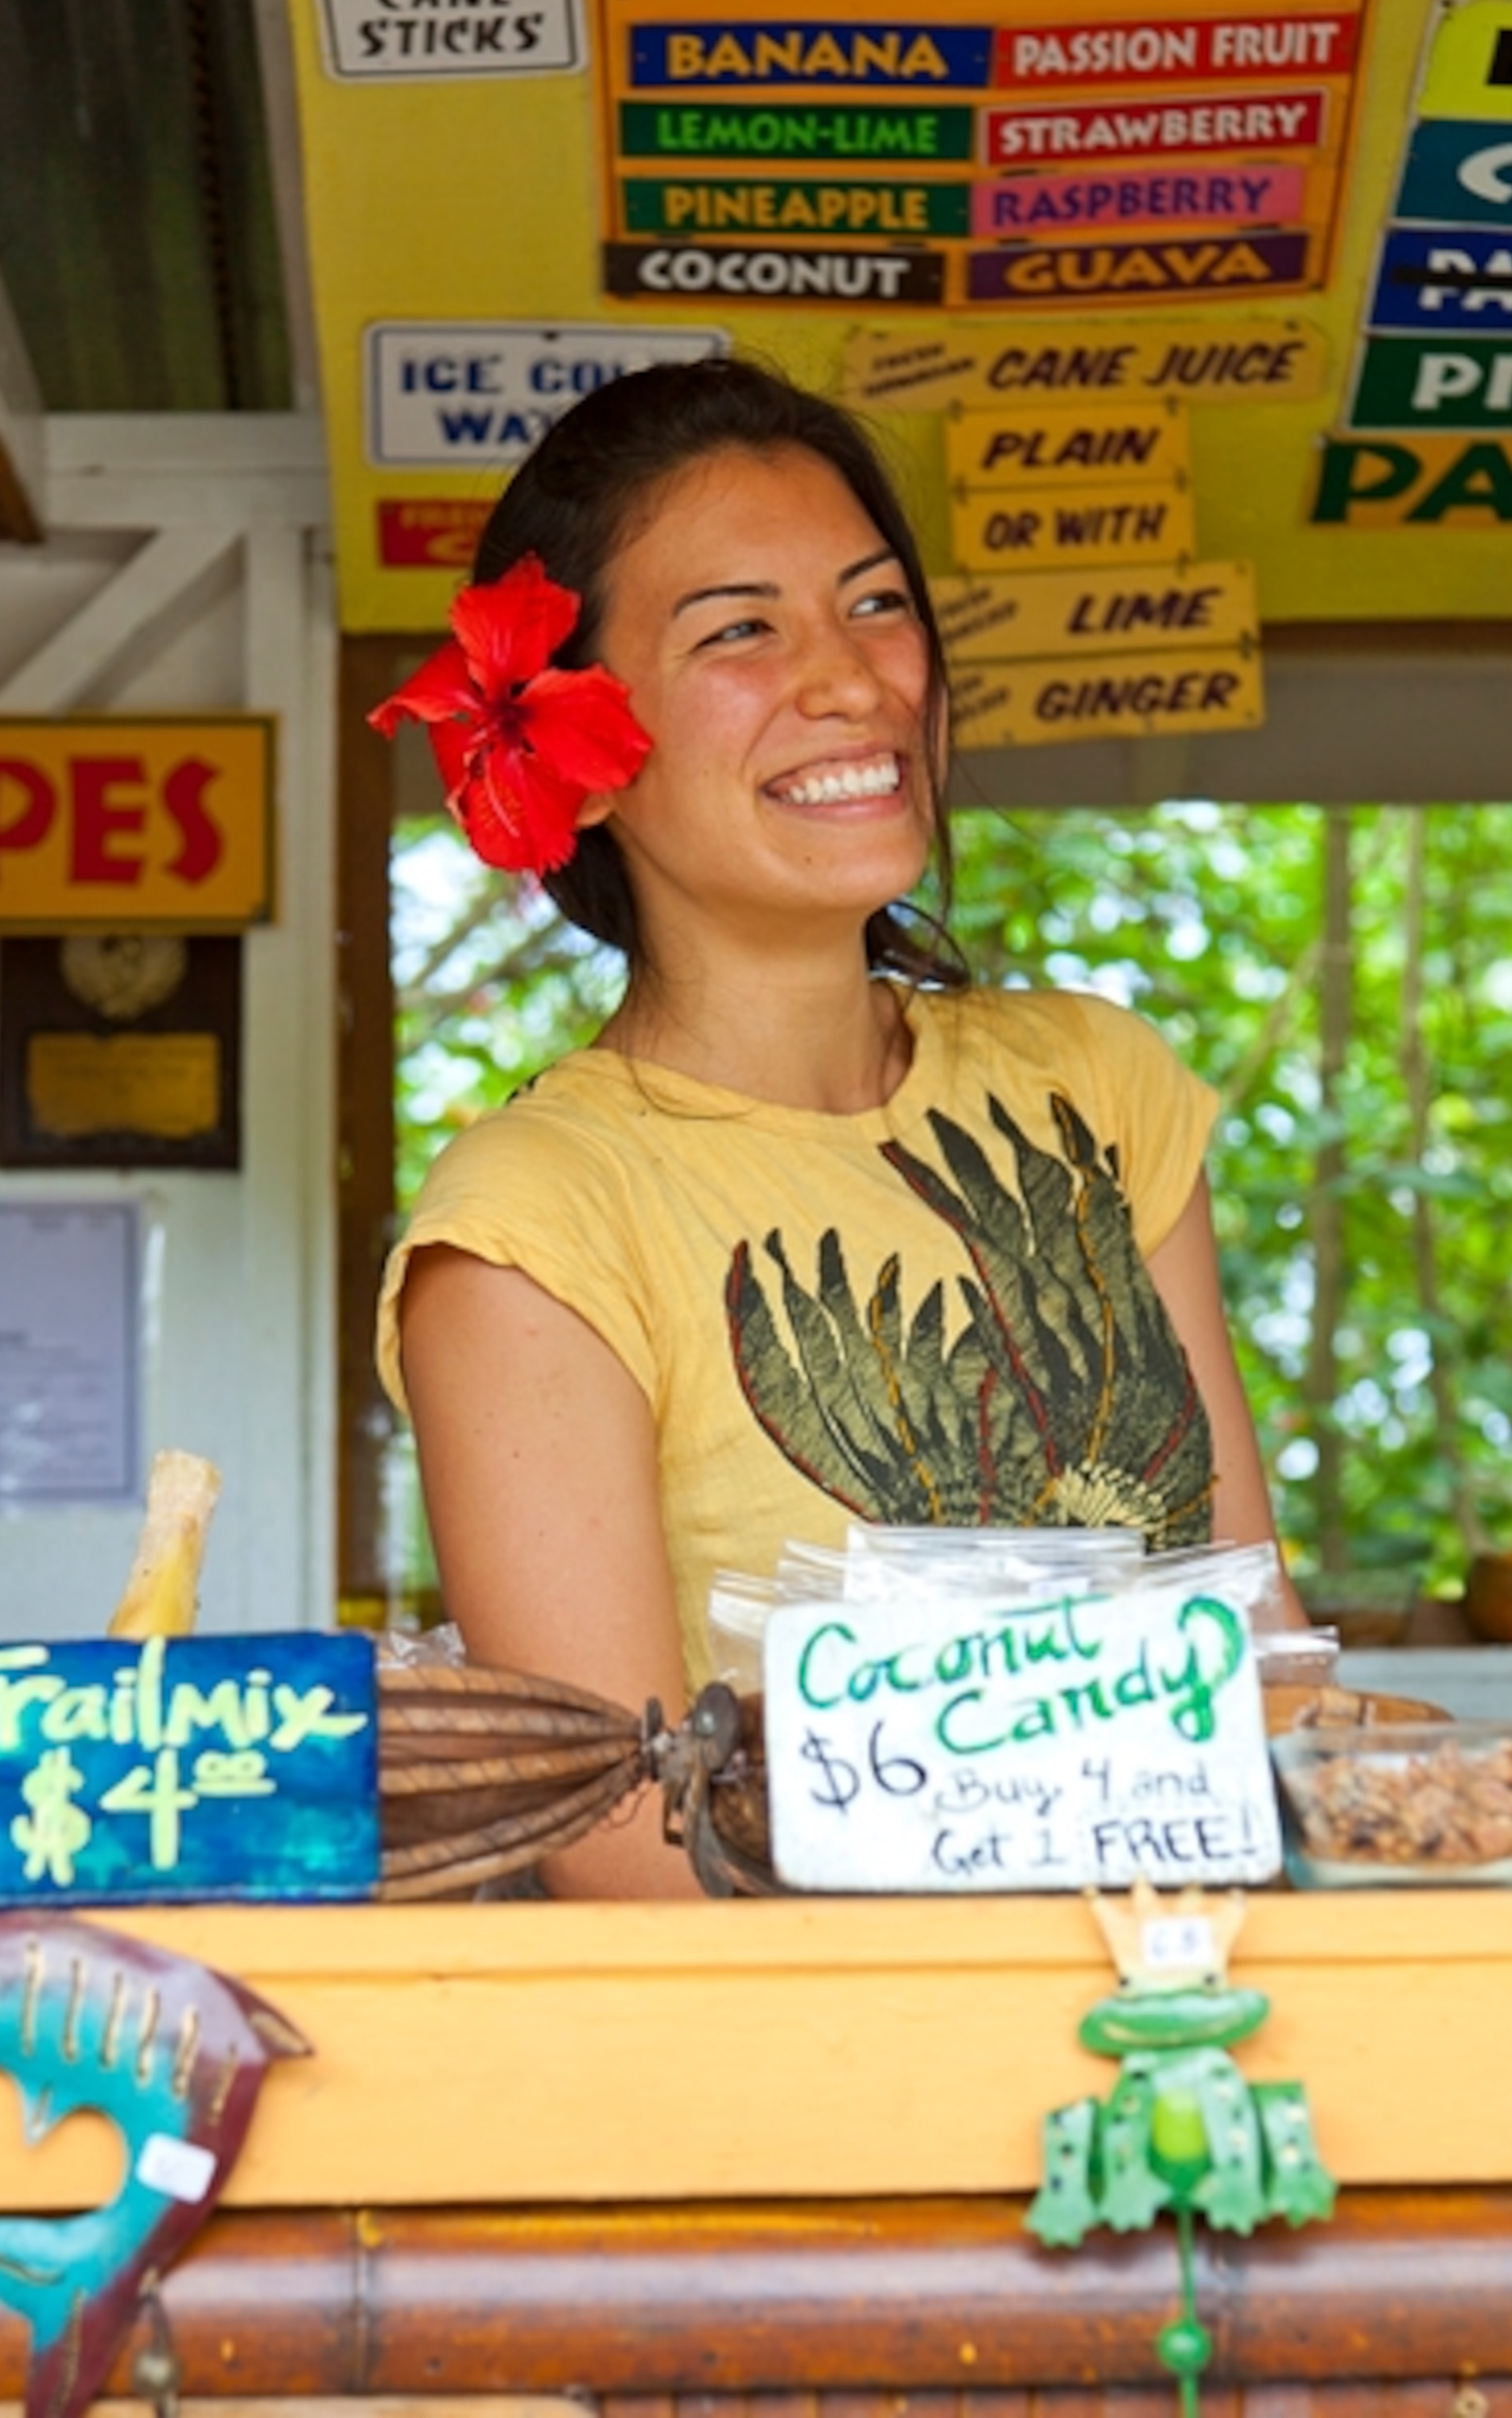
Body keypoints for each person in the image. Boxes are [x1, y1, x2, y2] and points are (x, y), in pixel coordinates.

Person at [373, 356, 1302, 1899]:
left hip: (1182, 2022)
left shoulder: (1098, 1087)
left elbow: (1252, 1638)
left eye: (876, 605)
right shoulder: (537, 1222)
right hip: (812, 2089)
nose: (852, 679)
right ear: (575, 751)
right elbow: (624, 1857)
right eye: (741, 629)